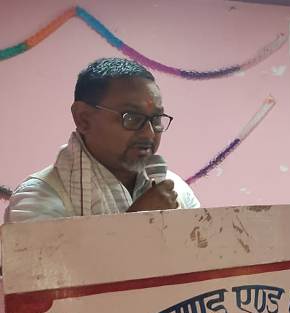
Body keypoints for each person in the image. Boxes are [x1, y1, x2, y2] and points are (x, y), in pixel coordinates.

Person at [4, 57, 198, 224]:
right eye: (132, 117)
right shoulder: (38, 198)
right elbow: (50, 259)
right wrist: (137, 221)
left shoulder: (177, 190)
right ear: (83, 119)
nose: (149, 134)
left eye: (156, 119)